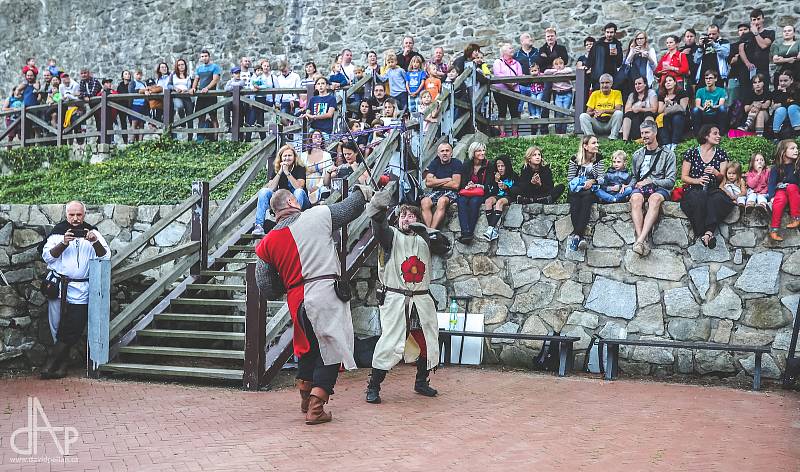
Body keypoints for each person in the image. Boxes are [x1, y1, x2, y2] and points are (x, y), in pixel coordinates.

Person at [254, 182, 380, 425]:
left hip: (296, 300)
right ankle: (316, 406)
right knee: (330, 350)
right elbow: (350, 209)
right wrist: (361, 189)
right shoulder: (317, 215)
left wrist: (288, 285)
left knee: (308, 349)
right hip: (323, 293)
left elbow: (266, 286)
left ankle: (305, 396)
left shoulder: (267, 242)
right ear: (292, 202)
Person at [365, 202, 450, 404]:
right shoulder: (390, 236)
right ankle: (373, 386)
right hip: (397, 300)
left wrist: (424, 231)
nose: (406, 219)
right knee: (389, 343)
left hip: (421, 301)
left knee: (427, 342)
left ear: (418, 220)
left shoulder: (425, 239)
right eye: (403, 215)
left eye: (411, 216)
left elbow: (444, 245)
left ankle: (421, 381)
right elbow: (380, 228)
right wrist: (379, 209)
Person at [40, 201, 110, 379]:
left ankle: (51, 363)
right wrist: (63, 243)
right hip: (60, 287)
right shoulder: (58, 233)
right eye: (72, 215)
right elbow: (48, 257)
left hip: (82, 288)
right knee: (56, 326)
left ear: (84, 215)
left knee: (74, 326)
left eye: (79, 215)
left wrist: (94, 242)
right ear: (66, 215)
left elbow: (105, 256)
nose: (75, 218)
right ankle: (61, 366)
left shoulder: (92, 233)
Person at [679, 125, 733, 248]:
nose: (719, 136)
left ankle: (707, 234)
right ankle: (706, 233)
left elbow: (722, 178)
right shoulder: (692, 152)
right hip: (694, 188)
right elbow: (684, 177)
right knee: (699, 198)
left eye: (719, 133)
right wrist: (698, 180)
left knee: (719, 200)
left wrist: (715, 172)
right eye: (715, 133)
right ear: (705, 136)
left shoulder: (721, 154)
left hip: (713, 188)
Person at [253, 144, 309, 235]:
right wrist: (280, 172)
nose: (287, 158)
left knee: (299, 192)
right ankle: (259, 225)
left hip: (301, 202)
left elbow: (299, 187)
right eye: (285, 156)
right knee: (264, 191)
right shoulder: (277, 168)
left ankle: (294, 223)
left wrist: (287, 173)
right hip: (283, 202)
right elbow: (271, 188)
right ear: (281, 158)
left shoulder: (300, 167)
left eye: (290, 155)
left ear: (294, 157)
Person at [567, 135, 604, 250]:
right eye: (593, 143)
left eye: (597, 142)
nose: (597, 145)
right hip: (577, 190)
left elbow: (602, 178)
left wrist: (592, 181)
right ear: (585, 146)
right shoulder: (574, 159)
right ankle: (580, 236)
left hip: (591, 191)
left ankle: (577, 235)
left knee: (587, 197)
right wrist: (580, 185)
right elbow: (570, 179)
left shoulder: (599, 158)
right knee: (575, 200)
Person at [421, 142, 462, 229]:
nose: (445, 153)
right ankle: (429, 231)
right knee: (425, 201)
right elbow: (428, 183)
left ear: (451, 153)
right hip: (437, 191)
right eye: (442, 151)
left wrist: (436, 181)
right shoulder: (434, 163)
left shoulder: (456, 163)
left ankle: (431, 230)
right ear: (438, 154)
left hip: (452, 192)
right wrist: (446, 179)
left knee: (442, 201)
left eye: (447, 150)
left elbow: (455, 185)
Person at [457, 142, 491, 244]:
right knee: (461, 201)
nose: (482, 153)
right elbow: (462, 182)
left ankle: (468, 233)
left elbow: (489, 183)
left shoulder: (489, 164)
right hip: (468, 191)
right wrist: (469, 184)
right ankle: (465, 231)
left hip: (482, 193)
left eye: (483, 150)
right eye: (479, 150)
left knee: (474, 202)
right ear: (473, 152)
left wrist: (477, 185)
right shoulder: (467, 164)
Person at [767, 139, 800, 241]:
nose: (796, 150)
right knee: (779, 200)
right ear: (783, 152)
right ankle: (774, 230)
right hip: (781, 190)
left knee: (791, 187)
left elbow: (795, 181)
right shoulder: (776, 168)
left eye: (797, 148)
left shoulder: (797, 166)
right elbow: (771, 183)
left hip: (794, 190)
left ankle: (796, 218)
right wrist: (772, 197)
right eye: (792, 148)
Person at [482, 155, 517, 241]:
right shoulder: (494, 176)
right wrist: (496, 181)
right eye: (498, 166)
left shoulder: (513, 176)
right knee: (488, 201)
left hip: (508, 196)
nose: (500, 168)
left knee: (499, 203)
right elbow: (491, 192)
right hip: (497, 195)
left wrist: (506, 188)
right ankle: (492, 229)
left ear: (507, 166)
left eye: (502, 166)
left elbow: (516, 191)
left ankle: (490, 228)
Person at [738, 8, 775, 90]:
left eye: (758, 19)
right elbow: (741, 49)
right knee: (746, 93)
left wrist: (755, 33)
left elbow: (764, 45)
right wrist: (747, 63)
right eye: (754, 20)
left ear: (763, 19)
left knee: (763, 92)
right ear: (751, 22)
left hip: (762, 68)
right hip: (747, 69)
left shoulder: (769, 32)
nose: (756, 22)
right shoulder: (746, 35)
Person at [190, 49, 222, 141]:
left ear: (209, 57)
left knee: (213, 117)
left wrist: (207, 88)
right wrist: (193, 88)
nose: (204, 58)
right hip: (201, 96)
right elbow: (196, 80)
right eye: (202, 56)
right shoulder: (199, 69)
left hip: (211, 95)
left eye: (206, 56)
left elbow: (215, 80)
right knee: (201, 116)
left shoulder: (215, 67)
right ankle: (200, 138)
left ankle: (216, 138)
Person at [579, 73, 623, 138]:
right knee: (583, 116)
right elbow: (588, 112)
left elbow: (618, 109)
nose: (604, 85)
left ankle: (613, 138)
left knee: (619, 113)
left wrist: (603, 111)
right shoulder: (595, 94)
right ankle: (591, 138)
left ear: (611, 84)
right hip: (597, 122)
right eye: (602, 83)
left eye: (607, 82)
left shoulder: (617, 93)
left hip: (610, 123)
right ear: (599, 84)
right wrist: (595, 112)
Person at [492, 43, 523, 137]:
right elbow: (498, 74)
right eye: (510, 48)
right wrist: (509, 83)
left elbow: (520, 75)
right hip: (500, 91)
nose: (512, 49)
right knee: (502, 111)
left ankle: (515, 132)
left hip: (514, 90)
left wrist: (514, 83)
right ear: (504, 52)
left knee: (514, 112)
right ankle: (502, 132)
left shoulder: (516, 63)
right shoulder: (498, 62)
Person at [585, 23, 624, 89]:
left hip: (612, 78)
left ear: (615, 33)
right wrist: (587, 68)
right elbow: (590, 59)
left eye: (611, 32)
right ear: (604, 32)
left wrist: (617, 54)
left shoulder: (617, 45)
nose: (609, 34)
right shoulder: (597, 45)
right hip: (598, 77)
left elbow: (619, 64)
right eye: (607, 32)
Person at [691, 70, 729, 135]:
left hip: (715, 114)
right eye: (706, 78)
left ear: (715, 79)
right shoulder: (700, 91)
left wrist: (713, 107)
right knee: (695, 110)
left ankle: (721, 133)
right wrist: (703, 108)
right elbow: (697, 105)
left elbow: (721, 104)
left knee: (722, 108)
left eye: (710, 78)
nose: (708, 80)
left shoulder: (721, 90)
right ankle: (697, 134)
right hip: (704, 114)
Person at [657, 75, 690, 151]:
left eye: (670, 80)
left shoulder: (682, 92)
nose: (668, 83)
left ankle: (675, 143)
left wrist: (670, 103)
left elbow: (682, 108)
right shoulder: (662, 95)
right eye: (666, 82)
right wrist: (665, 103)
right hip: (667, 118)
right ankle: (666, 144)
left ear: (675, 82)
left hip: (681, 119)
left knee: (677, 117)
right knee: (662, 118)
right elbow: (660, 111)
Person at [543, 57, 574, 134]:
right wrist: (556, 71)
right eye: (556, 64)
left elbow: (570, 70)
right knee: (559, 113)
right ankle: (558, 132)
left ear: (564, 64)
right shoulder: (552, 71)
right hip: (558, 94)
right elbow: (546, 72)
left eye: (561, 63)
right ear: (553, 66)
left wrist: (560, 72)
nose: (559, 65)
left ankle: (564, 132)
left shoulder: (566, 70)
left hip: (567, 93)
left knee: (565, 113)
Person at [303, 130, 334, 204]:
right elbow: (302, 172)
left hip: (321, 184)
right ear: (311, 139)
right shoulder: (303, 155)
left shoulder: (327, 155)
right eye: (315, 136)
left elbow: (326, 172)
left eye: (320, 136)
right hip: (305, 184)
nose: (318, 138)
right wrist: (316, 168)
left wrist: (318, 186)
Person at [621, 77, 658, 141]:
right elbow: (626, 110)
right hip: (635, 116)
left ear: (645, 84)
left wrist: (639, 109)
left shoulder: (651, 93)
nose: (637, 86)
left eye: (639, 83)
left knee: (648, 114)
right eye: (636, 84)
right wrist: (635, 108)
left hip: (647, 115)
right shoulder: (632, 95)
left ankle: (649, 137)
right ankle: (625, 140)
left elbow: (654, 109)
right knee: (627, 115)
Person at [728, 23, 753, 104]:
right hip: (735, 76)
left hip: (750, 76)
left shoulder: (753, 45)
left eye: (745, 29)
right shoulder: (733, 46)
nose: (743, 32)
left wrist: (738, 57)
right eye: (740, 30)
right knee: (732, 101)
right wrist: (738, 57)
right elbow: (731, 61)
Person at [169, 59, 193, 140]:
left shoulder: (188, 75)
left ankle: (190, 138)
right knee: (179, 107)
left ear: (185, 65)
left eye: (182, 64)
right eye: (179, 65)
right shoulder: (173, 75)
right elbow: (169, 85)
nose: (181, 66)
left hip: (187, 96)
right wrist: (175, 88)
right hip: (177, 95)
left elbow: (192, 87)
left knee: (190, 116)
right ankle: (182, 122)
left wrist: (188, 90)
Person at [770, 71, 800, 136]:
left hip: (795, 112)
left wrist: (781, 103)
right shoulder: (776, 92)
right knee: (781, 110)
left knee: (792, 108)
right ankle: (776, 135)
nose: (782, 83)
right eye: (780, 81)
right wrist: (784, 92)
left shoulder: (797, 89)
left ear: (791, 80)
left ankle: (798, 134)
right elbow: (775, 105)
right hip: (782, 114)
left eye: (785, 80)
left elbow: (795, 102)